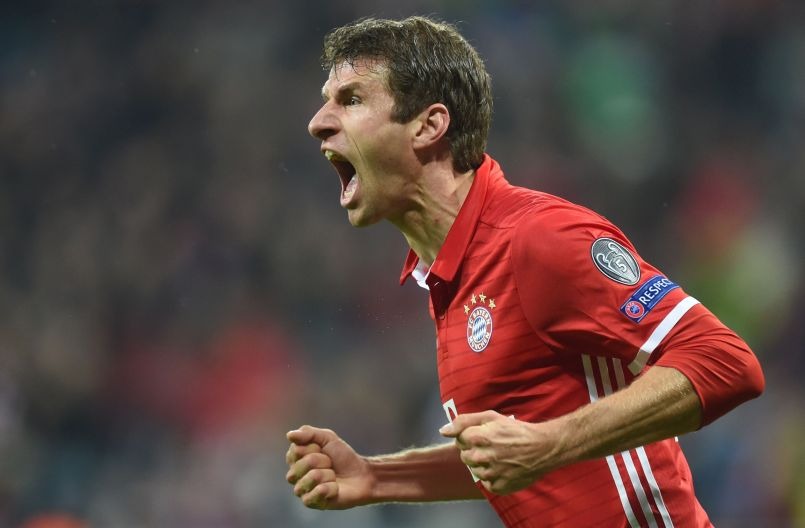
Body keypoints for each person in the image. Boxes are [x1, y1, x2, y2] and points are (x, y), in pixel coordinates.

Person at [285, 16, 765, 528]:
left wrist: (548, 443)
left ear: (428, 126)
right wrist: (376, 478)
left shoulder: (538, 237)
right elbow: (514, 456)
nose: (318, 122)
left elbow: (726, 362)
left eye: (351, 99)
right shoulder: (450, 277)